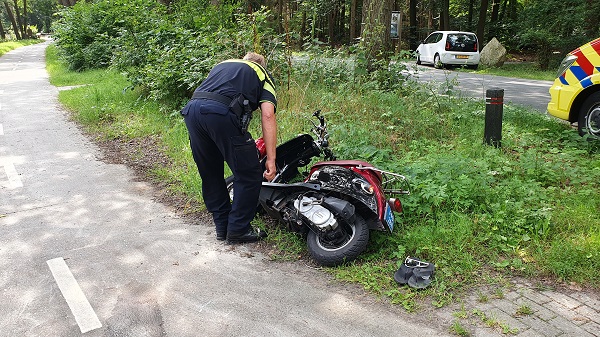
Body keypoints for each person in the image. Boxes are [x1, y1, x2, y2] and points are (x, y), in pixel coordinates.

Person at [180, 52, 277, 244]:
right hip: (220, 113)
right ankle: (238, 230)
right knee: (249, 173)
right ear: (261, 65)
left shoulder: (222, 65)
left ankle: (222, 227)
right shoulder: (262, 74)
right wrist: (271, 160)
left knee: (211, 173)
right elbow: (268, 116)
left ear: (244, 59)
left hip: (192, 112)